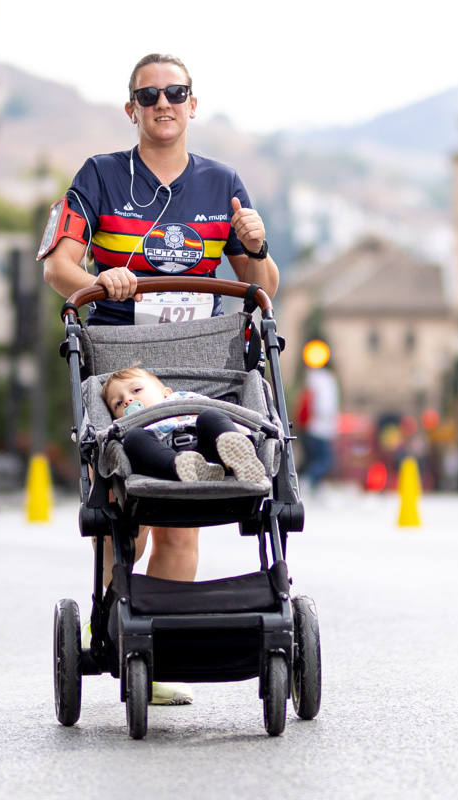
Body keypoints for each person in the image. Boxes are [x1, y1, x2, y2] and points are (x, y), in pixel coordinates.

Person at [40, 53, 280, 705]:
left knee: (181, 520)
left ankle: (163, 655)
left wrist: (255, 248)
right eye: (149, 95)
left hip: (199, 363)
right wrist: (97, 280)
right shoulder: (98, 176)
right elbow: (58, 266)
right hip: (123, 358)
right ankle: (120, 627)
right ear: (132, 110)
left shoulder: (222, 182)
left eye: (176, 92)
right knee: (130, 512)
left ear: (193, 104)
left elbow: (260, 292)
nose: (163, 103)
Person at [103, 367, 265, 483]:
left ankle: (238, 453)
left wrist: (241, 431)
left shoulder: (182, 398)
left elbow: (222, 414)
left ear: (166, 393)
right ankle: (184, 468)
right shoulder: (129, 427)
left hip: (212, 448)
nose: (127, 400)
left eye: (136, 390)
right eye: (117, 404)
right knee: (134, 440)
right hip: (168, 458)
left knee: (211, 415)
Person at [301, 365, 339, 493]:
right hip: (321, 429)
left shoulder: (312, 381)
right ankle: (308, 481)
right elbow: (325, 407)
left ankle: (313, 485)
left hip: (309, 427)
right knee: (325, 461)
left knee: (312, 459)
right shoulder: (326, 381)